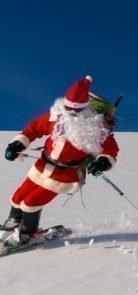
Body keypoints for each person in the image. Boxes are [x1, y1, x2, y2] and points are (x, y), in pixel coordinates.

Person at [0, 76, 119, 247]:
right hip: (42, 166)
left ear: (84, 107)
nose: (70, 112)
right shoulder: (56, 116)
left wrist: (103, 162)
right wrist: (18, 143)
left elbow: (110, 149)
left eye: (75, 110)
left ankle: (28, 234)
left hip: (65, 175)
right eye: (68, 107)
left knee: (31, 203)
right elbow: (34, 128)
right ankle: (11, 224)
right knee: (18, 197)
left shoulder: (95, 128)